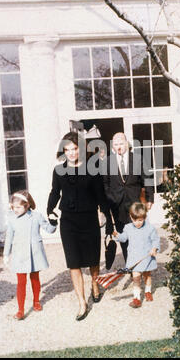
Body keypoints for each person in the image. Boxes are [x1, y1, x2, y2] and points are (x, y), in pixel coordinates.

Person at [47, 132, 113, 321]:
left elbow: (101, 196)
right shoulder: (58, 171)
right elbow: (54, 192)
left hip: (89, 219)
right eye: (67, 150)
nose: (71, 153)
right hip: (68, 222)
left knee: (93, 259)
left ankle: (94, 283)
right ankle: (82, 302)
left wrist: (106, 217)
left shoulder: (93, 169)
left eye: (74, 149)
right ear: (64, 151)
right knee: (73, 262)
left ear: (81, 149)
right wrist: (49, 209)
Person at [3, 190, 57, 320]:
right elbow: (9, 236)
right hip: (19, 254)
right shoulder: (11, 218)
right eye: (13, 207)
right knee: (21, 282)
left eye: (18, 207)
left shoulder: (36, 216)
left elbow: (49, 229)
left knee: (35, 278)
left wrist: (53, 222)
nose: (15, 209)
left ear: (27, 205)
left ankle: (36, 301)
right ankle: (20, 310)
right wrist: (6, 254)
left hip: (34, 253)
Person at [103, 132, 154, 263]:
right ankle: (130, 265)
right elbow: (105, 184)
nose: (118, 146)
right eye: (115, 144)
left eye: (121, 143)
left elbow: (147, 179)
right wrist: (110, 199)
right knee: (123, 235)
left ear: (126, 143)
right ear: (112, 146)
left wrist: (150, 198)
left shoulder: (137, 159)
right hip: (117, 205)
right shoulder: (108, 162)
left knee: (138, 234)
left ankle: (141, 263)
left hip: (135, 203)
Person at [113, 202, 160, 308]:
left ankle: (148, 291)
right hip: (134, 259)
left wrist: (154, 248)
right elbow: (124, 238)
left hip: (146, 257)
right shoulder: (128, 227)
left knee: (147, 275)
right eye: (134, 220)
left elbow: (155, 240)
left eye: (140, 220)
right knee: (136, 278)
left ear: (144, 217)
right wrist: (117, 235)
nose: (137, 223)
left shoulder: (150, 228)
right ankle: (137, 298)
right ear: (130, 217)